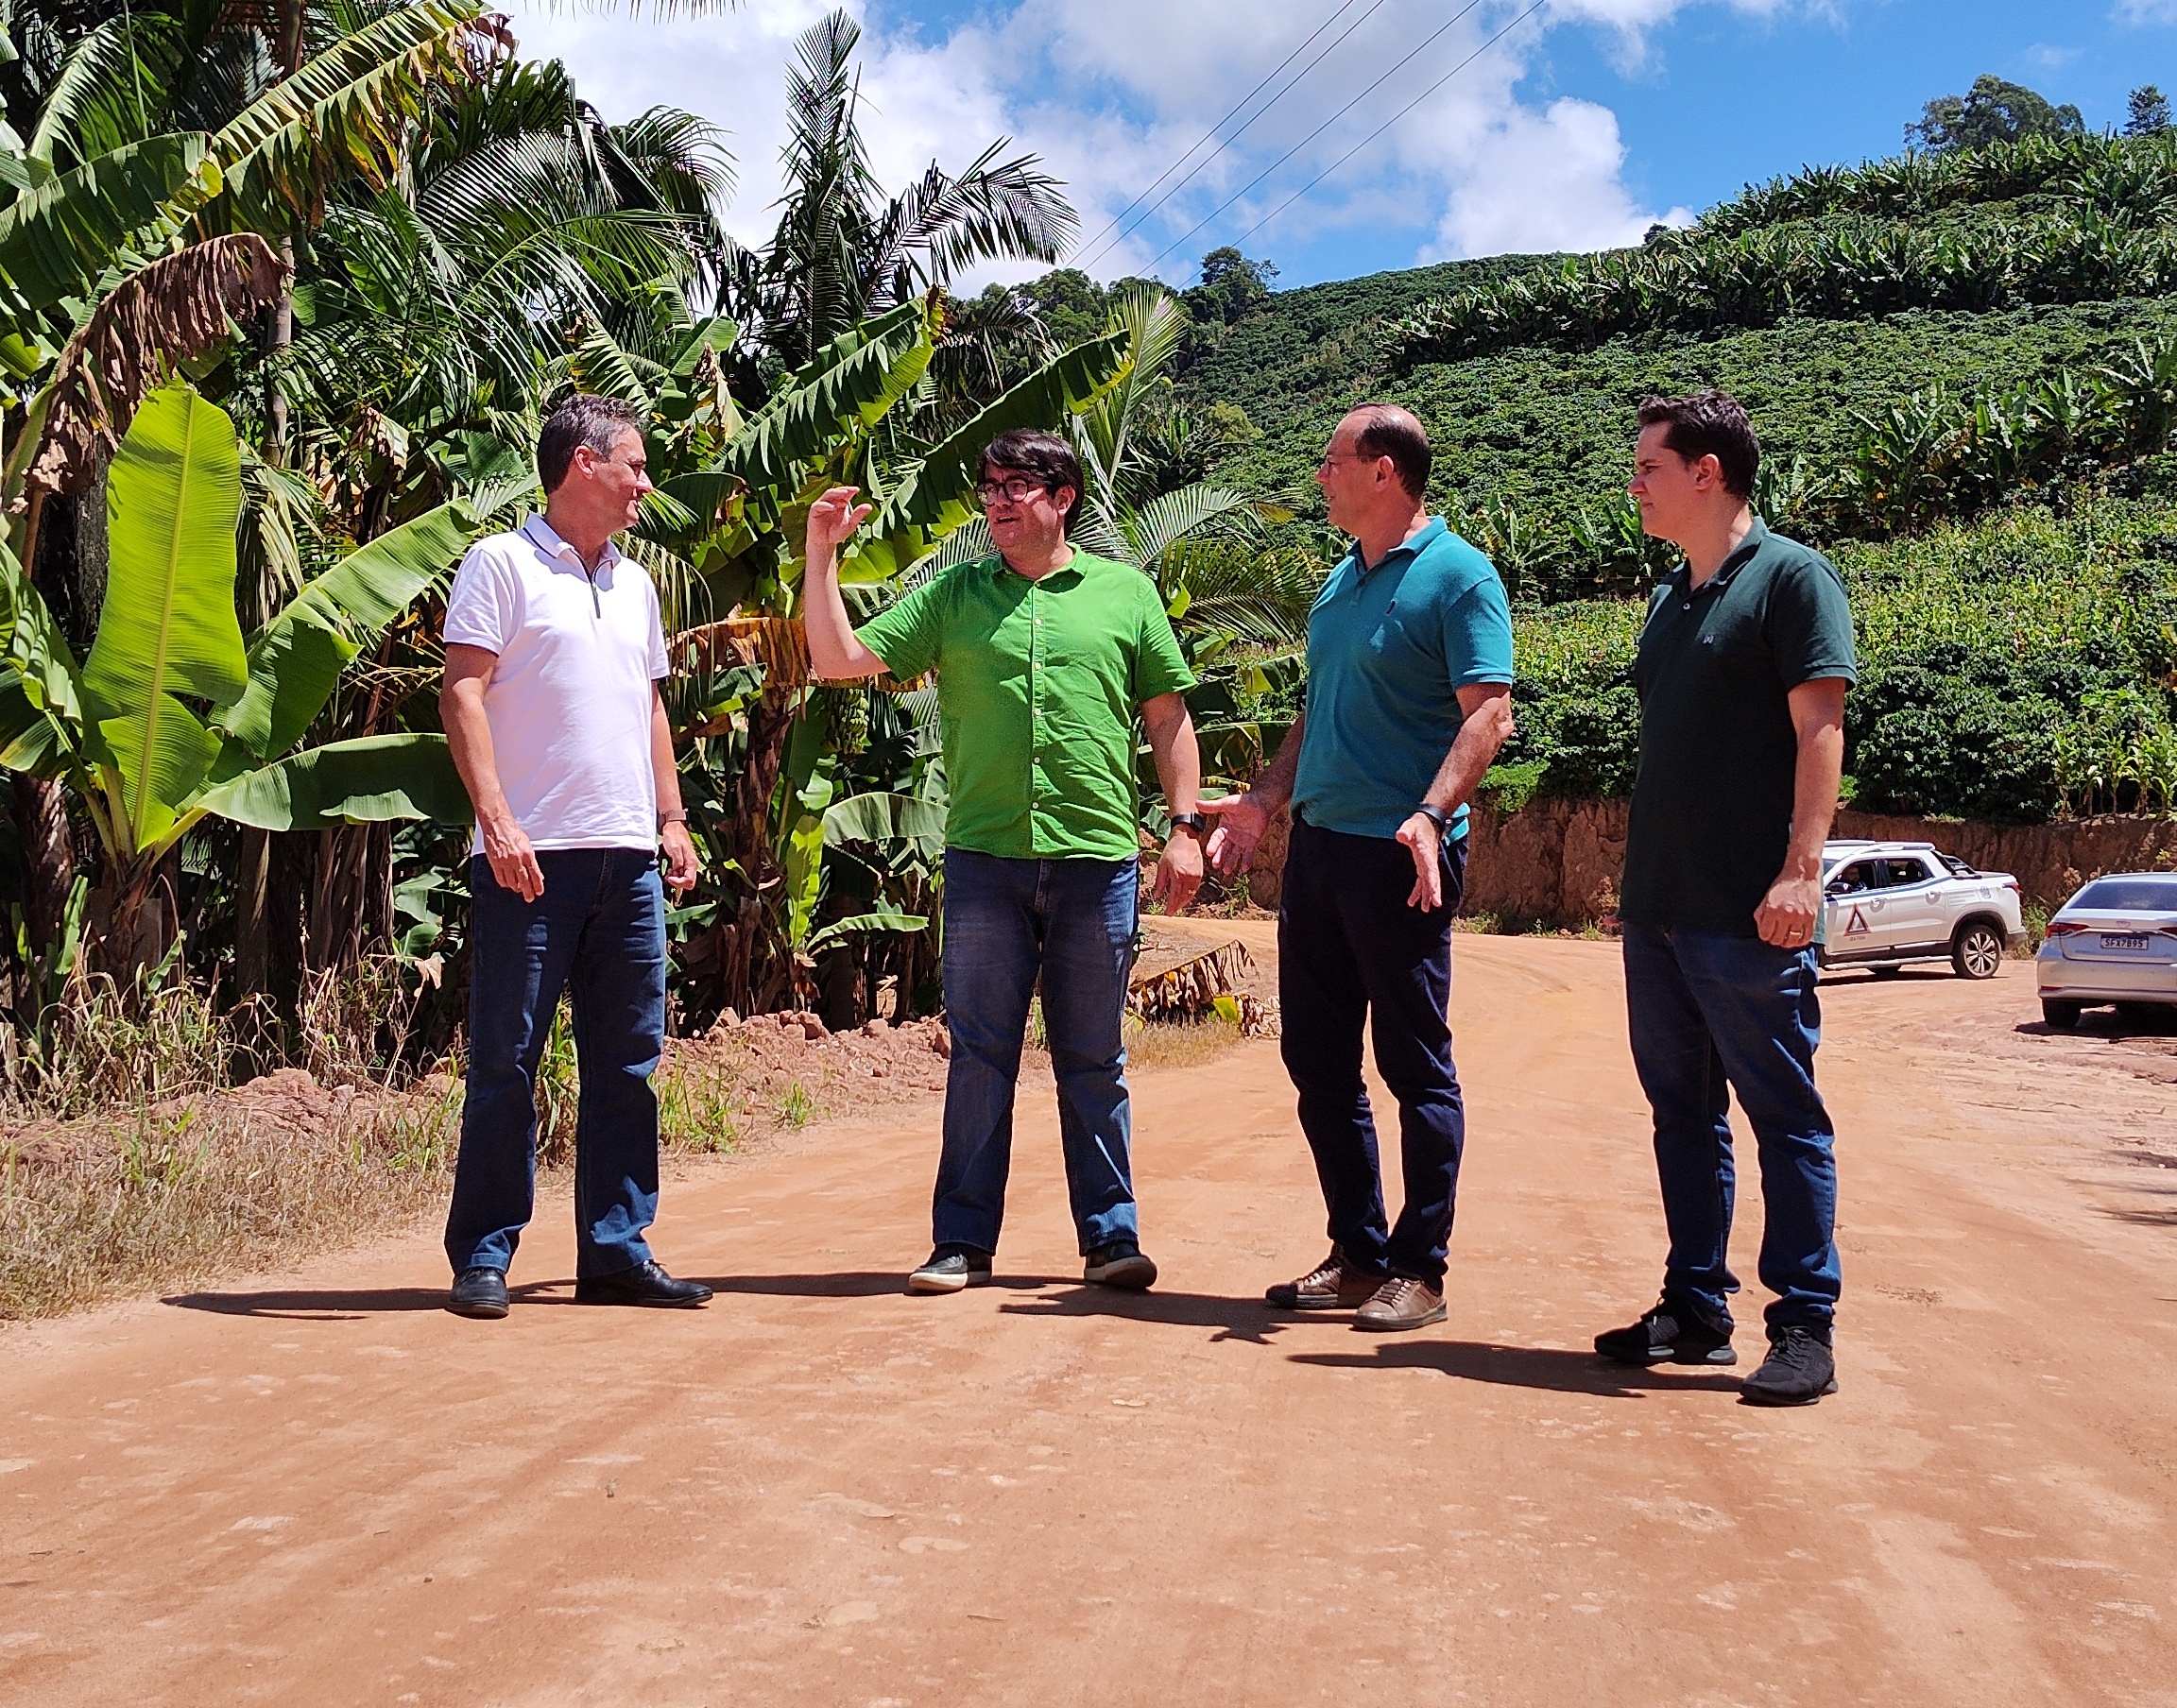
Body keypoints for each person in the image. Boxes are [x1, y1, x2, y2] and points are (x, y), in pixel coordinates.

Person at [802, 428, 1205, 1294]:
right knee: (980, 1055)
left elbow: (1168, 719)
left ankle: (1110, 1241)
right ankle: (962, 1244)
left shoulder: (1125, 595)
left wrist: (1182, 827)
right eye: (988, 487)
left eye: (1014, 486)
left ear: (1061, 498)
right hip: (985, 861)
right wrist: (822, 558)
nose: (994, 501)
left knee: (1093, 1057)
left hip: (1096, 858)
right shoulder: (953, 596)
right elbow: (836, 661)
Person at [1204, 404, 1515, 1333]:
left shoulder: (1460, 577)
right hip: (1322, 852)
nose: (1320, 476)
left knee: (1415, 1064)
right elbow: (1318, 712)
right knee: (1318, 1061)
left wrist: (1431, 813)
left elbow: (1488, 713)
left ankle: (1421, 1268)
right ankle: (1357, 1253)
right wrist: (1264, 804)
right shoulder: (1340, 584)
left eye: (1331, 459)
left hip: (1401, 853)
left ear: (1384, 470)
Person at [1592, 390, 1855, 1406]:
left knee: (1784, 1114)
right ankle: (1697, 1307)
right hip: (1661, 906)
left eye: (1650, 465)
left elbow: (1821, 728)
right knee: (1683, 1117)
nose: (1635, 482)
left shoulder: (1792, 578)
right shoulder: (1672, 598)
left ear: (1708, 472)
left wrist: (1801, 867)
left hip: (1752, 908)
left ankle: (1804, 1324)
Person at [439, 394, 711, 1320]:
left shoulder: (635, 584)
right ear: (583, 465)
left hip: (628, 859)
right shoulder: (501, 563)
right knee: (508, 1060)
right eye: (633, 465)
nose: (645, 483)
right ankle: (483, 1253)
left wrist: (671, 819)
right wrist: (498, 820)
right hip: (530, 858)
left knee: (628, 1061)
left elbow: (650, 707)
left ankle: (616, 1247)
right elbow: (463, 694)